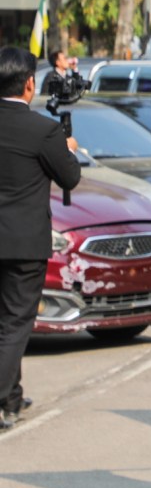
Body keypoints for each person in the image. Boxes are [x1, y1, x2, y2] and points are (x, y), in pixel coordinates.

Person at [0, 47, 81, 430]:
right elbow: (70, 178)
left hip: (14, 242)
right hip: (23, 243)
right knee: (15, 325)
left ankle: (12, 396)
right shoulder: (42, 130)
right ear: (29, 84)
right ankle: (3, 397)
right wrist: (70, 150)